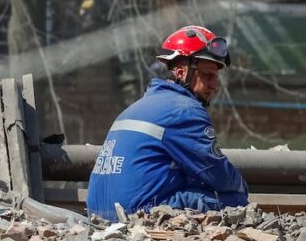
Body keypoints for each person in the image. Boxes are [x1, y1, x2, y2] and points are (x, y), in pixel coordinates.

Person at [86, 25, 248, 221]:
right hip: (138, 213)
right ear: (181, 72)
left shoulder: (137, 106)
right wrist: (242, 186)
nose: (214, 85)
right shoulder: (185, 110)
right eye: (208, 75)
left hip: (97, 214)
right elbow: (217, 173)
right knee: (235, 198)